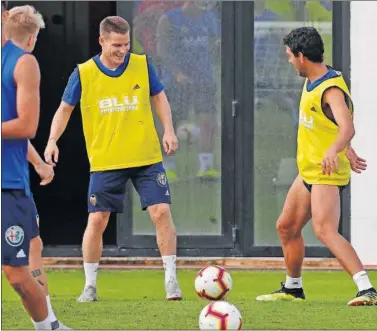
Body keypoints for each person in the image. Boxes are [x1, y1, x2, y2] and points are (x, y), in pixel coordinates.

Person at [44, 16, 182, 302]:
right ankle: (90, 285)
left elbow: (160, 97)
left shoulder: (142, 65)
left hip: (145, 155)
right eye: (116, 45)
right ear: (102, 41)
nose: (123, 51)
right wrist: (52, 141)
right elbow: (65, 109)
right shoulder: (83, 73)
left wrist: (168, 130)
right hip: (106, 160)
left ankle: (171, 280)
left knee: (161, 212)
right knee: (97, 219)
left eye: (126, 44)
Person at [256, 27, 376, 306]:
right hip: (309, 171)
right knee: (286, 227)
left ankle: (367, 289)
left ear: (301, 56)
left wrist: (337, 149)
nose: (288, 61)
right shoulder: (314, 78)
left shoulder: (330, 88)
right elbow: (332, 125)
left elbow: (347, 127)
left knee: (324, 229)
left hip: (326, 173)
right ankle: (293, 288)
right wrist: (346, 149)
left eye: (289, 56)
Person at [2, 4, 71, 329]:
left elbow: (18, 128)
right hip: (7, 184)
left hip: (15, 182)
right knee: (16, 273)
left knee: (33, 248)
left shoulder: (15, 62)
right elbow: (26, 125)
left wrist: (40, 164)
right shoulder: (24, 60)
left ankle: (49, 324)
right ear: (32, 38)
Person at [156, 0, 220, 180]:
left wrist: (217, 47)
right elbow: (163, 51)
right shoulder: (169, 20)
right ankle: (168, 168)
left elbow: (215, 45)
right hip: (175, 82)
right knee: (170, 125)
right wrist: (177, 73)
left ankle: (205, 167)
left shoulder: (210, 18)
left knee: (208, 121)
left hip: (204, 80)